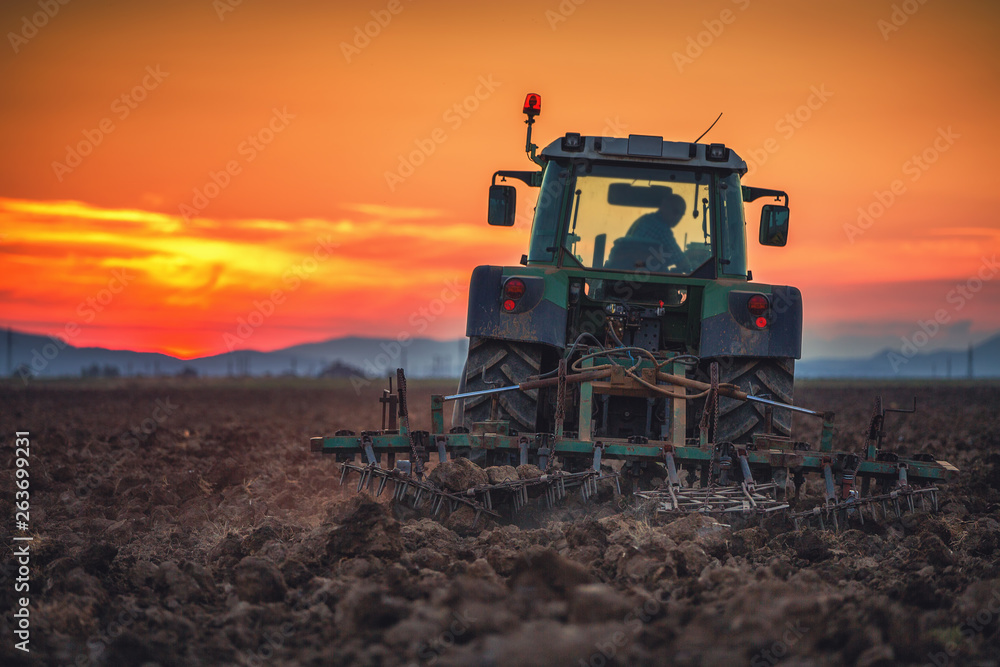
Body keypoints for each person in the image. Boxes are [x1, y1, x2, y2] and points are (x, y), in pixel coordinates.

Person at [607, 188, 692, 272]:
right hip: (642, 276)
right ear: (664, 206)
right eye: (675, 212)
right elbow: (682, 263)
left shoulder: (644, 220)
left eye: (681, 214)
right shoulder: (661, 229)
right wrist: (693, 262)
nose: (678, 217)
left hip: (628, 272)